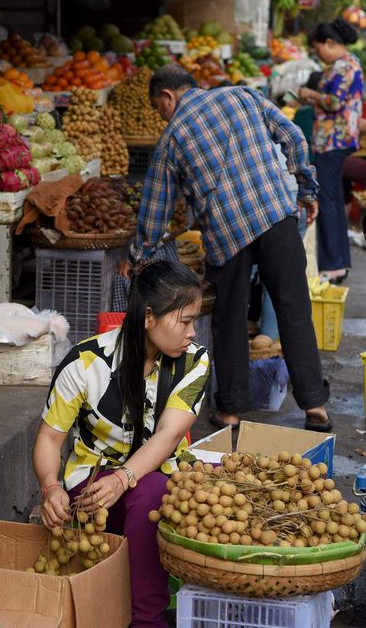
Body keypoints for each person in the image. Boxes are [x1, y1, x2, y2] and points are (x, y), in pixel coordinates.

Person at [125, 64, 331, 433]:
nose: (162, 116)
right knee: (294, 307)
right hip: (276, 218)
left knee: (230, 318)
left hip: (226, 234)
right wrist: (306, 187)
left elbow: (155, 209)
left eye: (159, 108)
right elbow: (295, 137)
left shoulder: (172, 137)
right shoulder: (243, 95)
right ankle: (315, 406)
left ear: (168, 97)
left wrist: (138, 258)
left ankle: (232, 411)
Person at [34, 260, 210, 628]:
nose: (193, 332)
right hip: (91, 489)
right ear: (149, 318)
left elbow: (168, 435)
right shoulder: (84, 362)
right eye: (185, 320)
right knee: (146, 494)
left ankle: (145, 620)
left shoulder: (195, 362)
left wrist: (124, 478)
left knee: (150, 491)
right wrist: (50, 487)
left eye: (196, 321)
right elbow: (50, 438)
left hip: (160, 481)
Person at [297, 19, 363, 283]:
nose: (318, 54)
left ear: (330, 43)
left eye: (318, 48)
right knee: (333, 201)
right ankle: (338, 262)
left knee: (328, 202)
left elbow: (334, 101)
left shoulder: (342, 67)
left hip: (332, 140)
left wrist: (309, 94)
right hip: (337, 139)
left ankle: (333, 263)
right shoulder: (350, 64)